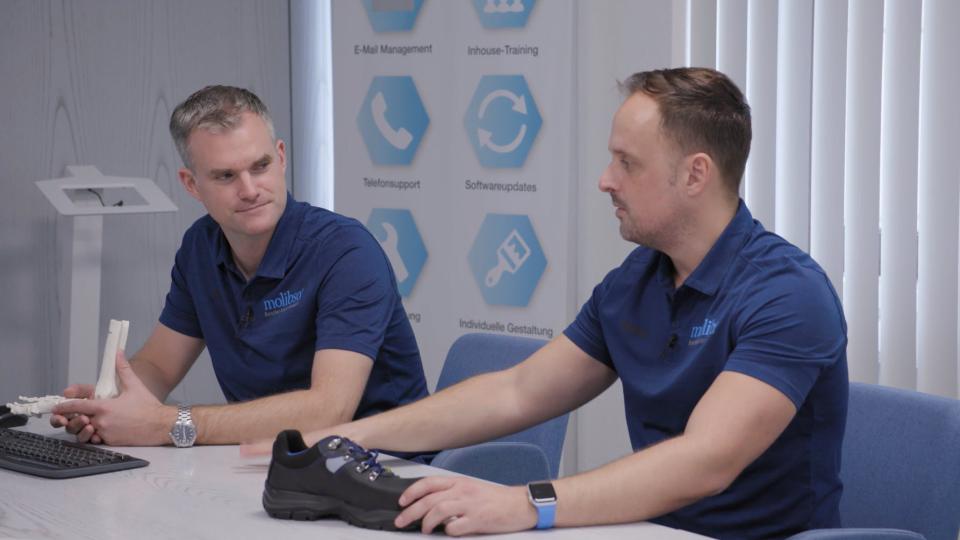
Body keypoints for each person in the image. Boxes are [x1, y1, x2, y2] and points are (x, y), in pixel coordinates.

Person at [254, 68, 848, 539]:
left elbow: (705, 460)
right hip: (645, 530)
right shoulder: (636, 283)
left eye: (627, 163)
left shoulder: (788, 293)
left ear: (695, 175)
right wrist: (350, 436)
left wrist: (526, 503)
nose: (605, 180)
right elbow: (516, 391)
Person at [51, 85, 429, 447]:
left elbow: (328, 410)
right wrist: (109, 403)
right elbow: (158, 366)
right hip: (269, 463)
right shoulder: (200, 247)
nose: (249, 190)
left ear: (280, 158)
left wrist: (167, 424)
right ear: (192, 185)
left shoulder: (347, 251)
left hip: (386, 469)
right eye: (226, 176)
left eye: (260, 166)